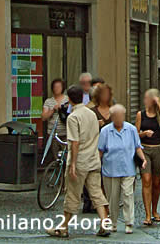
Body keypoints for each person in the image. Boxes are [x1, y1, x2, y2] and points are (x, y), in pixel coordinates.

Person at [45, 84, 110, 239]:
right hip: (93, 159)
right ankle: (104, 223)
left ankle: (63, 227)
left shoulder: (73, 117)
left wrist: (72, 163)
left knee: (72, 194)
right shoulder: (92, 114)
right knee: (96, 192)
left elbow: (74, 142)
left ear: (69, 99)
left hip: (80, 160)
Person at [98, 104, 146, 234]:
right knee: (112, 199)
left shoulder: (131, 129)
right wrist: (96, 166)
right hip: (110, 170)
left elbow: (137, 147)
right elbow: (100, 151)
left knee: (128, 195)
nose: (119, 119)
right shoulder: (105, 131)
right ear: (112, 117)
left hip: (128, 168)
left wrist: (143, 159)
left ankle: (128, 223)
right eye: (116, 116)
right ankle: (113, 223)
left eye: (121, 116)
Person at [136, 88, 160, 225]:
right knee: (146, 179)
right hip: (144, 149)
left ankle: (155, 210)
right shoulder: (141, 114)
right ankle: (147, 214)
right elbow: (135, 134)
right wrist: (144, 134)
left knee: (156, 183)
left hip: (158, 150)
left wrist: (159, 104)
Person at [42, 78, 68, 160]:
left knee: (67, 157)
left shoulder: (67, 100)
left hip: (66, 133)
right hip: (53, 134)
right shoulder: (48, 101)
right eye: (55, 87)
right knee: (56, 158)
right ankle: (57, 172)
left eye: (59, 87)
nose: (56, 89)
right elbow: (43, 117)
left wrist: (63, 108)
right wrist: (53, 110)